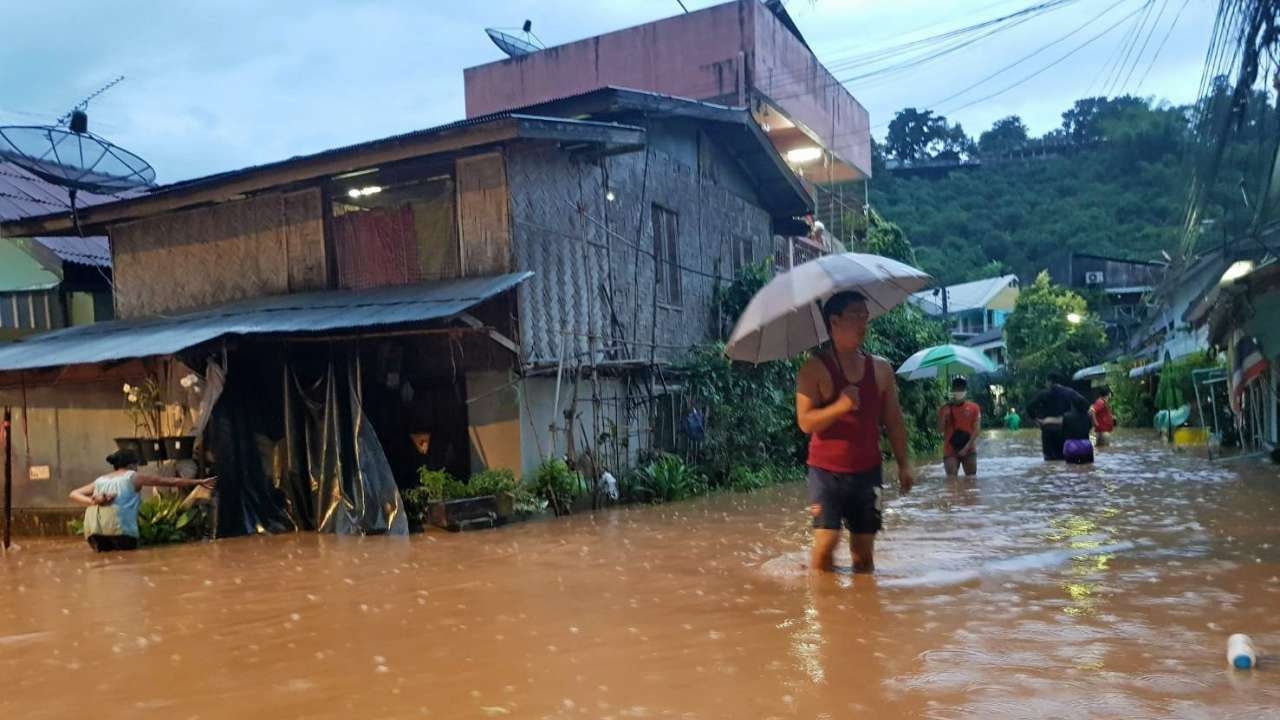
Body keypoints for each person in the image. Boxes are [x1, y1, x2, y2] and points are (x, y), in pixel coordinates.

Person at [796, 291, 915, 574]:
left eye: (866, 315)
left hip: (868, 472)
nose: (864, 322)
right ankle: (825, 606)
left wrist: (904, 465)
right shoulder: (813, 370)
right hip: (826, 472)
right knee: (826, 542)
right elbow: (806, 422)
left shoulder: (881, 369)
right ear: (834, 321)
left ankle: (862, 612)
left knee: (863, 554)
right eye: (855, 315)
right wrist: (840, 405)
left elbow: (894, 421)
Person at [69, 449, 216, 552]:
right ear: (132, 464)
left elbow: (73, 494)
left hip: (95, 533)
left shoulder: (100, 480)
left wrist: (94, 501)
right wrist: (199, 481)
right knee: (127, 571)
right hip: (121, 531)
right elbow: (168, 481)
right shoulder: (132, 476)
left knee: (106, 570)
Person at [1026, 373, 1089, 461]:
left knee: (1049, 460)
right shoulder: (1070, 392)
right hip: (1065, 427)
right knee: (1065, 458)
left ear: (1049, 382)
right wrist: (1073, 418)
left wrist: (1037, 420)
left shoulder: (1044, 394)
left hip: (1048, 428)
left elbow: (1029, 407)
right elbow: (1085, 404)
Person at [939, 376, 981, 478]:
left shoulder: (974, 407)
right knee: (951, 480)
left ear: (965, 390)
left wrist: (966, 448)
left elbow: (977, 431)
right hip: (950, 449)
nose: (959, 391)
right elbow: (939, 430)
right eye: (956, 389)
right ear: (952, 390)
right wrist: (944, 417)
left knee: (971, 480)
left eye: (961, 389)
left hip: (969, 448)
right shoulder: (945, 408)